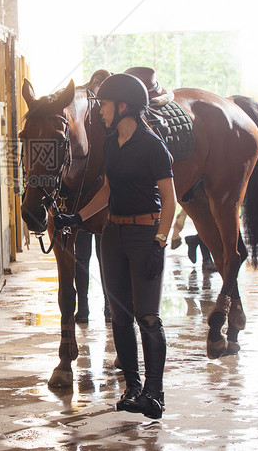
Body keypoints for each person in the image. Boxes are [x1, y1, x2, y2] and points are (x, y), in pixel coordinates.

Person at [55, 73, 175, 420]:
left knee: (148, 317)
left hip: (144, 235)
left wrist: (159, 242)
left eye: (106, 105)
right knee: (120, 318)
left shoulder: (154, 147)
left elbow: (170, 200)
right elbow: (107, 191)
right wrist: (76, 218)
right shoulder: (109, 144)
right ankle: (133, 388)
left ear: (124, 106)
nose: (102, 111)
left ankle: (155, 393)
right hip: (114, 235)